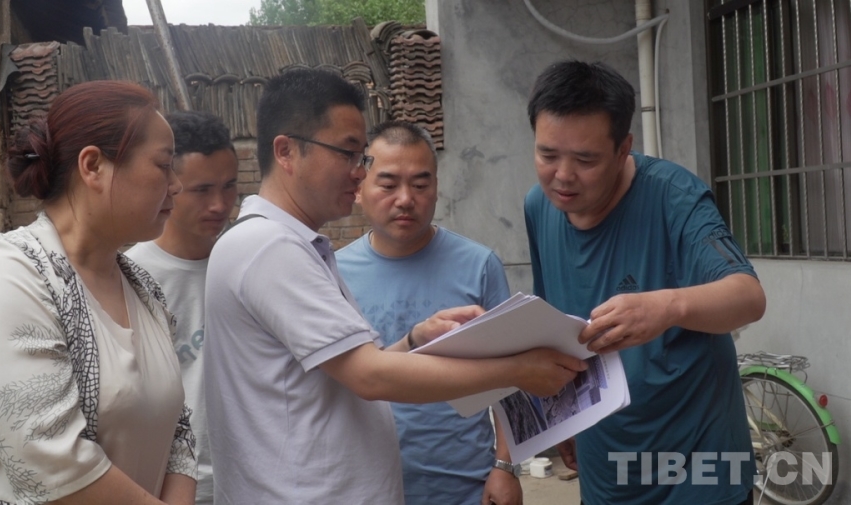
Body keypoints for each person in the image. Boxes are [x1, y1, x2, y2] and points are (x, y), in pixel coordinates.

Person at [204, 68, 587, 504]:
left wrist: (415, 340)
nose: (358, 172)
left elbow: (348, 372)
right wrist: (517, 371)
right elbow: (369, 376)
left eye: (361, 158)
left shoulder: (298, 246)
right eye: (348, 154)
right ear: (286, 151)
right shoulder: (269, 247)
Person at [523, 60, 767, 505]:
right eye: (547, 155)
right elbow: (554, 323)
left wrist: (667, 307)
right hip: (607, 470)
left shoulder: (674, 198)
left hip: (699, 470)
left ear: (623, 149)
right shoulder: (539, 207)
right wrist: (560, 418)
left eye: (585, 159)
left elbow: (748, 296)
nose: (563, 175)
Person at [0, 81, 196, 504]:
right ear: (93, 166)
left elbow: (178, 432)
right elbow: (52, 462)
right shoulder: (4, 273)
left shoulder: (144, 289)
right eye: (163, 164)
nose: (176, 184)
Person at [337, 120, 522, 505]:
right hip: (367, 487)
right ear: (359, 188)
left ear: (437, 187)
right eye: (388, 185)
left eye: (420, 185)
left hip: (466, 486)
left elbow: (512, 378)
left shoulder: (478, 266)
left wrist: (505, 467)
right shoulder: (333, 274)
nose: (406, 199)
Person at [126, 110, 238, 505]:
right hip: (172, 486)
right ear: (170, 186)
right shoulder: (130, 277)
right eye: (202, 190)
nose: (219, 204)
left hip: (253, 475)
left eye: (229, 186)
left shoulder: (243, 264)